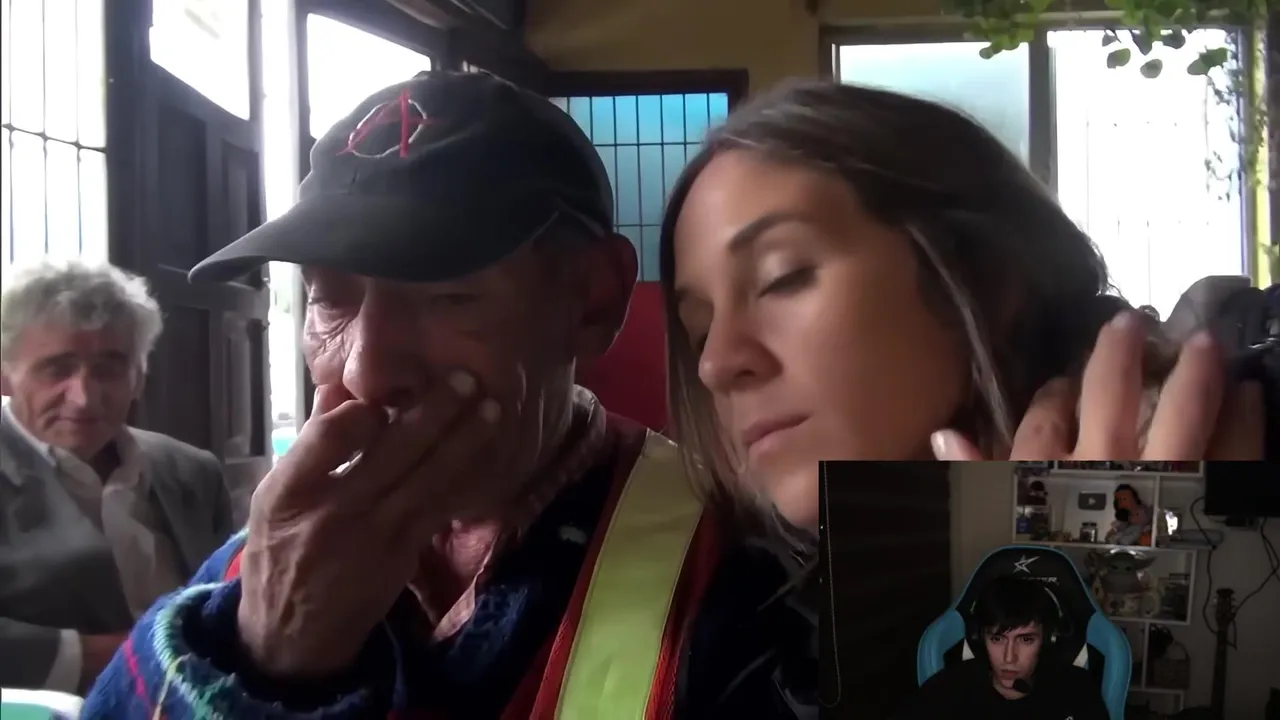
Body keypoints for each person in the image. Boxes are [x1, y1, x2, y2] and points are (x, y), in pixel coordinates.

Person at [81, 71, 815, 719]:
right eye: (330, 300)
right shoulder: (278, 552)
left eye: (445, 296)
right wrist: (265, 655)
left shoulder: (745, 567)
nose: (366, 372)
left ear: (591, 301)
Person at [658, 78, 1268, 535]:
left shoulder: (1241, 454)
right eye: (699, 331)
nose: (716, 364)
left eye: (782, 277)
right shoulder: (719, 618)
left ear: (985, 275)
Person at [0, 261, 234, 694]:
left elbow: (229, 597)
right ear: (5, 375)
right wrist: (123, 660)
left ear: (139, 377)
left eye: (108, 369)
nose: (84, 398)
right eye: (57, 369)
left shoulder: (193, 470)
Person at [898, 576, 1110, 720]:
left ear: (1048, 640)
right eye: (997, 638)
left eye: (1026, 640)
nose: (1009, 658)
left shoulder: (1077, 690)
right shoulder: (946, 690)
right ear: (979, 639)